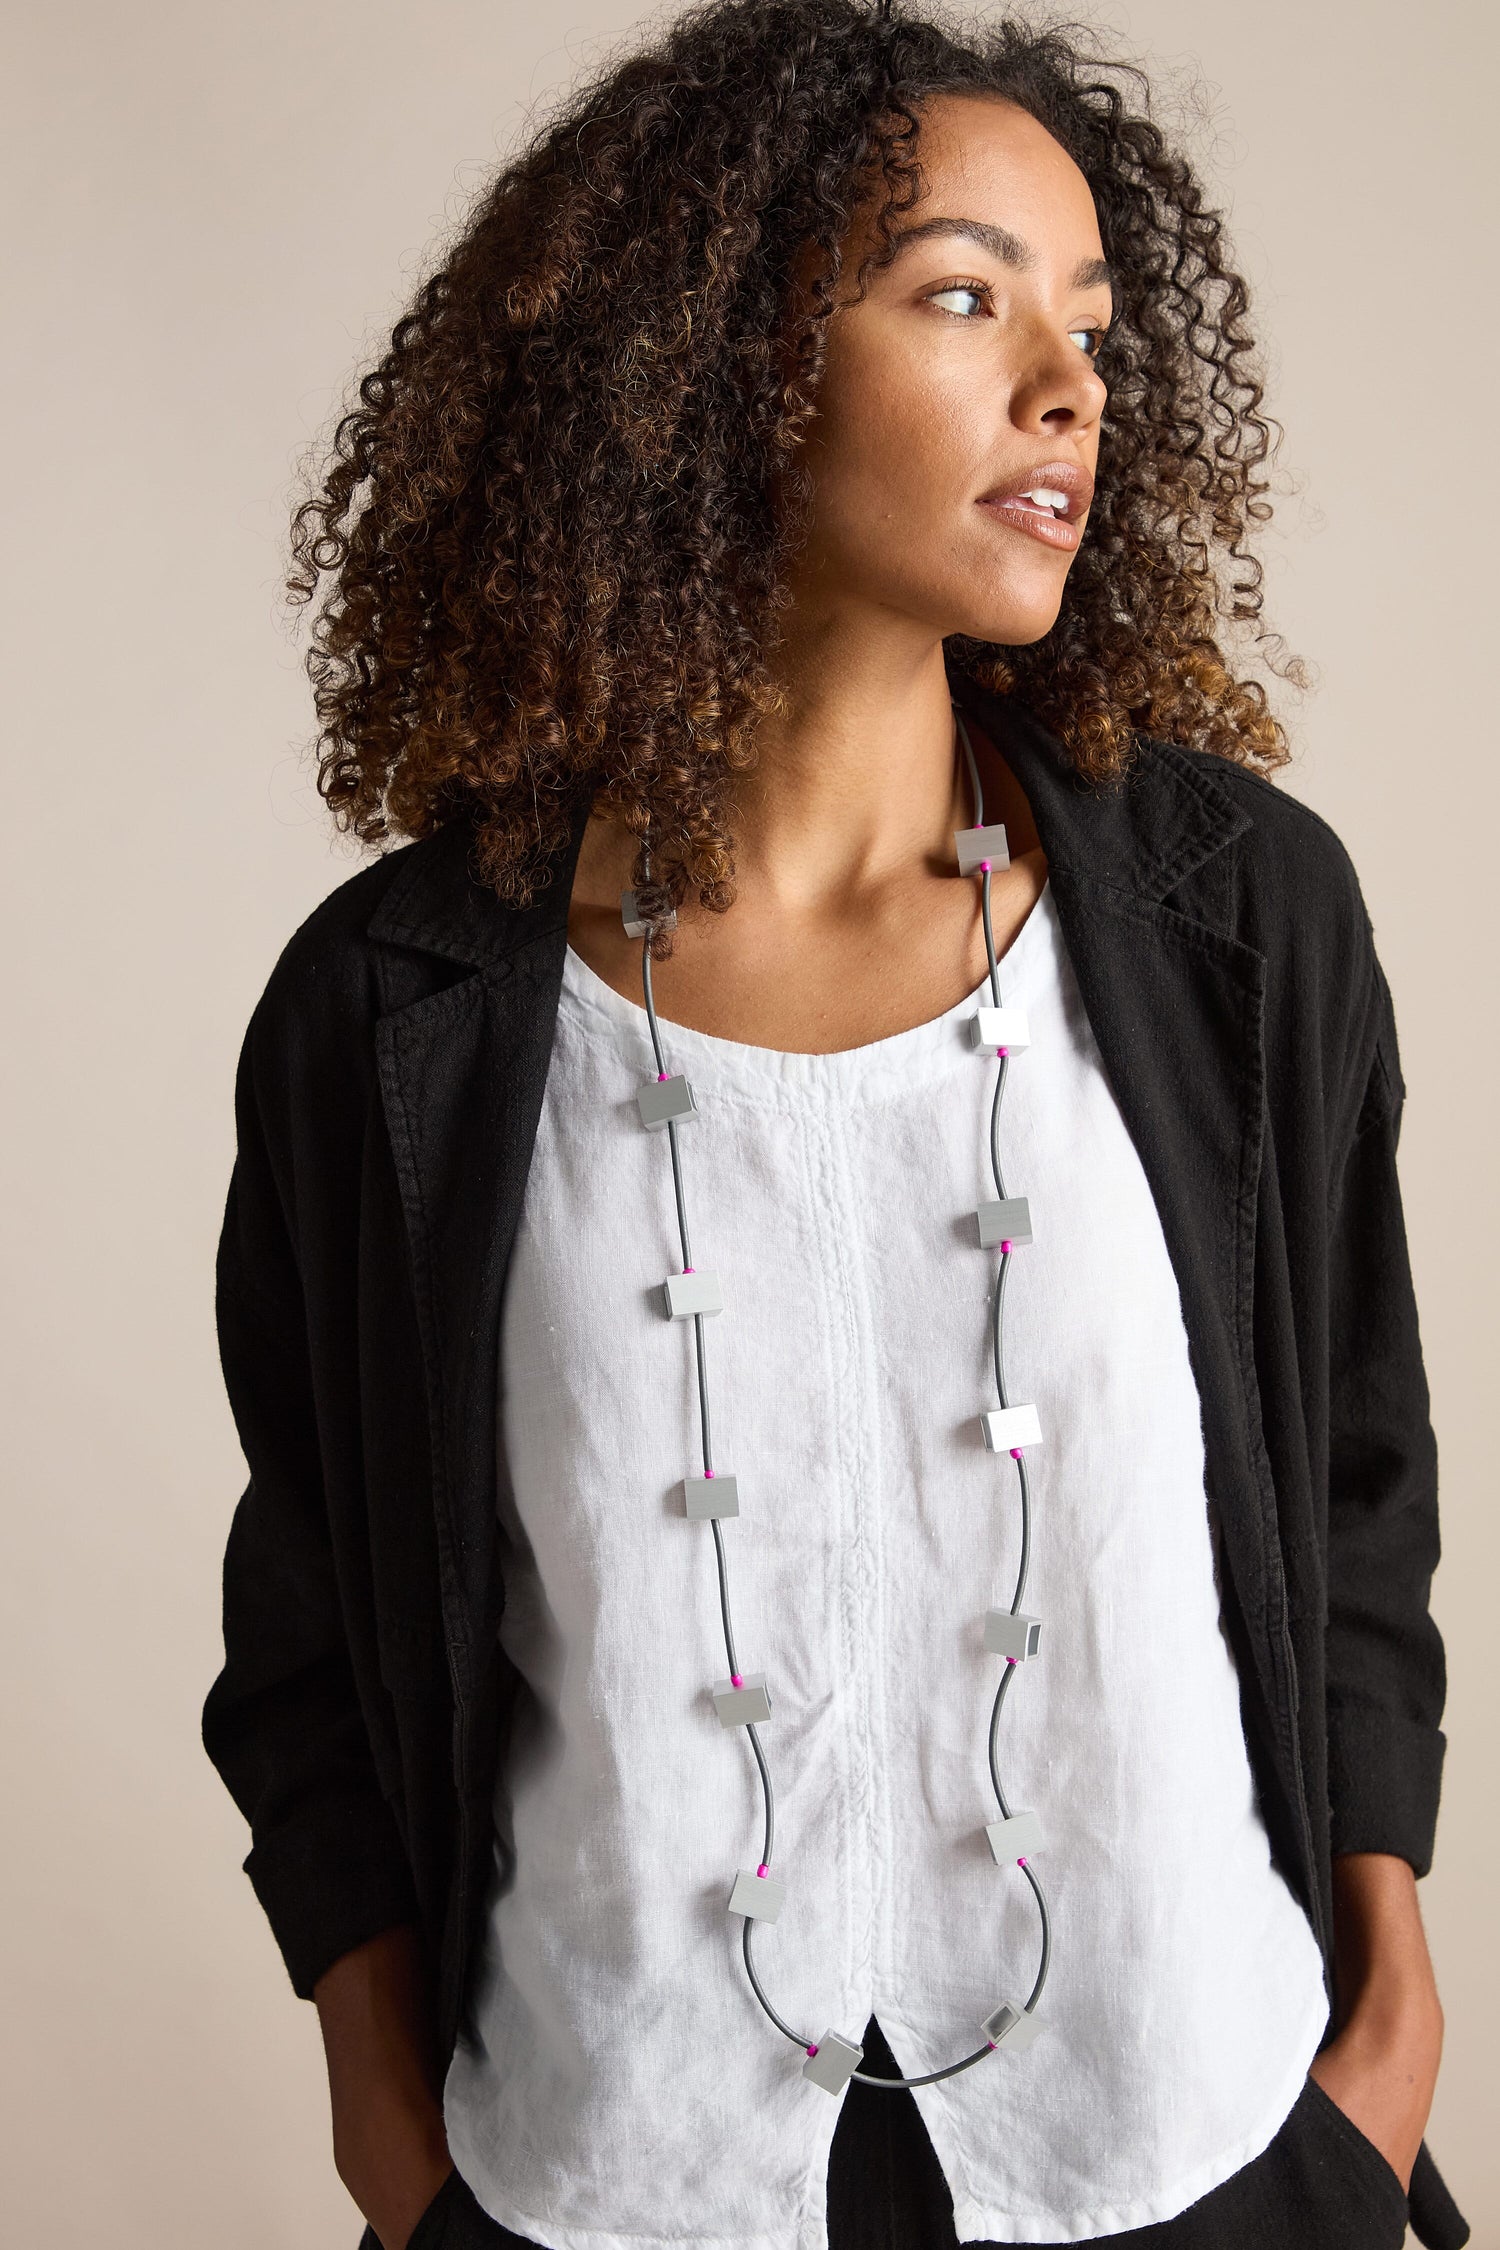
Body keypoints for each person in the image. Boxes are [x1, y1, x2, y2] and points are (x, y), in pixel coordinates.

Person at [202, 4, 1470, 2246]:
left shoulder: (1230, 922)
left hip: (1197, 2142)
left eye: (1090, 320)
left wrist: (1383, 2053)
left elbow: (1357, 1485)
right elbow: (312, 1627)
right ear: (719, 365)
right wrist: (392, 2153)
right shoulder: (395, 1012)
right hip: (620, 2173)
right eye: (964, 296)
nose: (1068, 383)